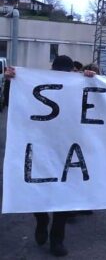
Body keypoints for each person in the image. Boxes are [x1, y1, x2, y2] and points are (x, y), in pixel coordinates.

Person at [3, 55, 96, 257]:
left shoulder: (80, 87)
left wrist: (93, 78)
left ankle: (57, 240)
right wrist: (12, 83)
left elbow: (100, 103)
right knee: (39, 190)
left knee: (63, 197)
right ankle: (42, 219)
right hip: (40, 149)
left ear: (73, 72)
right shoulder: (41, 86)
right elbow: (15, 105)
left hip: (69, 151)